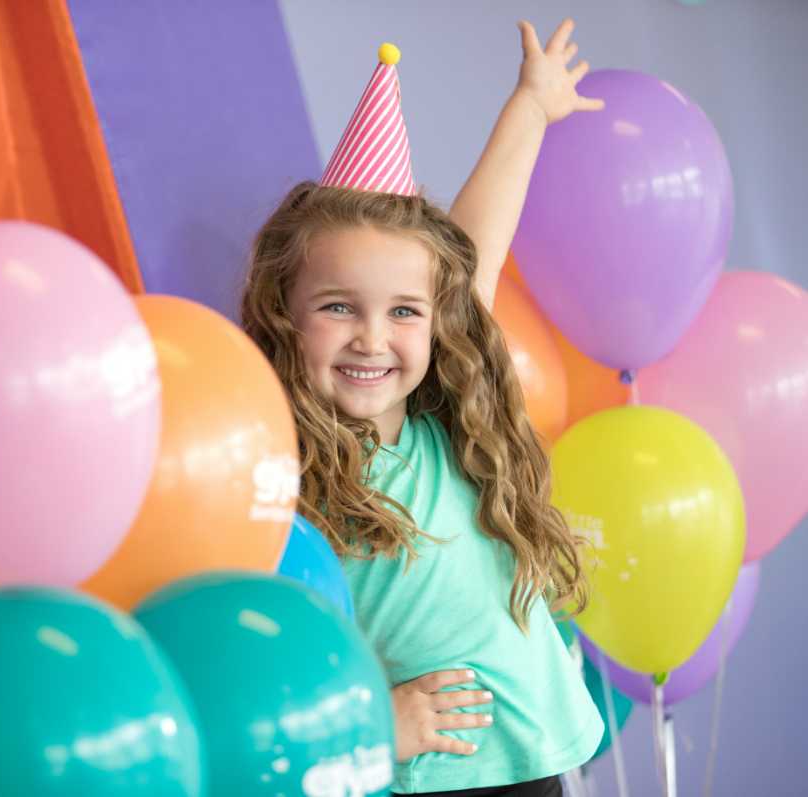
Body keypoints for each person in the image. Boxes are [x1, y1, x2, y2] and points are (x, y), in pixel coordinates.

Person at [240, 19, 605, 797]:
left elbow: (478, 251)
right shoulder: (279, 468)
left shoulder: (444, 428)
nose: (373, 338)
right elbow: (268, 660)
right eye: (340, 306)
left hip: (531, 758)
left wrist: (531, 108)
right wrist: (376, 717)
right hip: (423, 775)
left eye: (405, 311)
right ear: (284, 311)